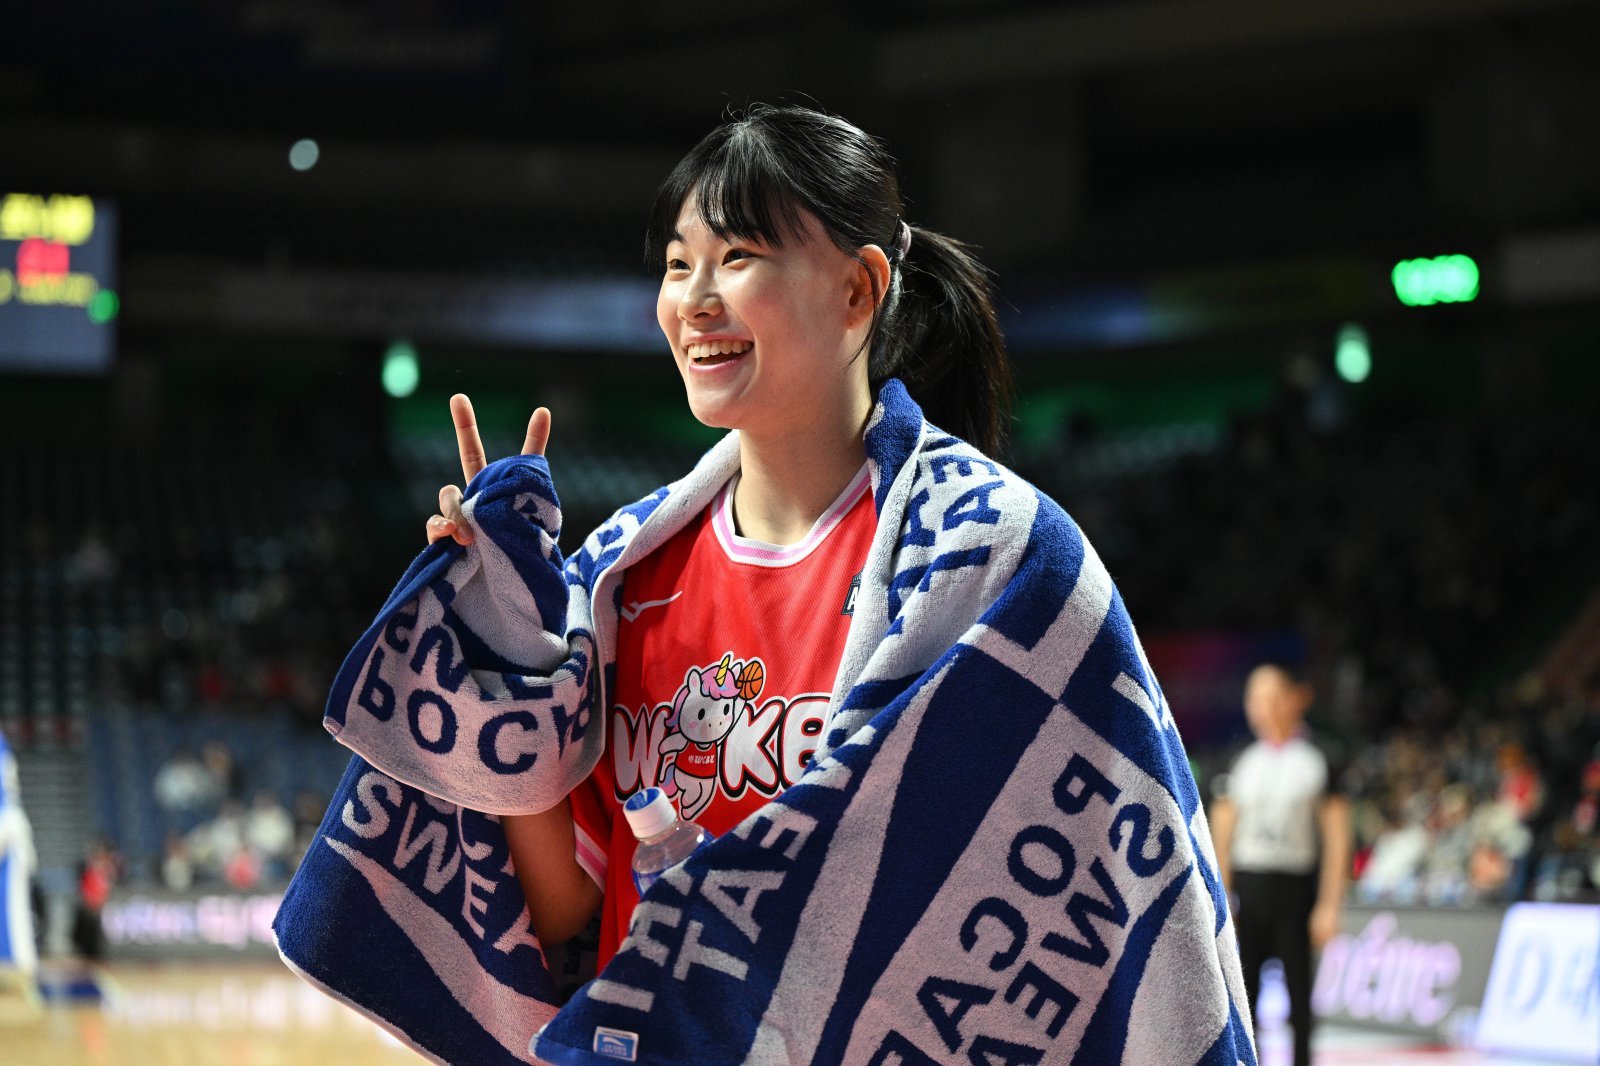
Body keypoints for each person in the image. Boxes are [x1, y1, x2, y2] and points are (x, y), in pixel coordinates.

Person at [280, 104, 1254, 1065]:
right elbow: (566, 908)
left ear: (858, 289)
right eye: (677, 265)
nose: (694, 300)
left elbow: (1081, 924)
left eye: (738, 256)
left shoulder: (994, 557)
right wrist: (512, 660)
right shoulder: (621, 577)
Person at [1210, 661, 1352, 1066]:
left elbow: (1338, 837)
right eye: (1255, 698)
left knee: (1299, 996)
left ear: (1295, 699)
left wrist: (1330, 905)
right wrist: (1222, 900)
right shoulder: (1236, 758)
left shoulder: (1321, 756)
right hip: (1247, 888)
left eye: (1273, 697)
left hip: (1296, 887)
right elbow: (1221, 836)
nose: (1263, 707)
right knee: (1244, 994)